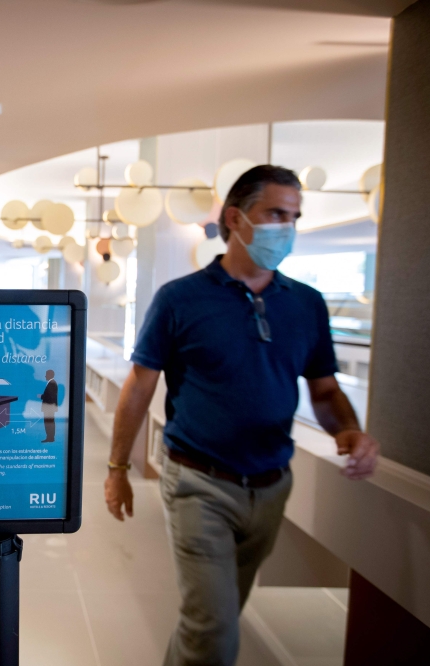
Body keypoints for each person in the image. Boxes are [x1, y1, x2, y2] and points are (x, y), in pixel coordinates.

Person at [103, 165, 380, 666]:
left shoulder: (307, 305)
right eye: (276, 213)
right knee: (213, 630)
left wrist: (349, 429)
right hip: (198, 481)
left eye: (294, 216)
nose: (288, 226)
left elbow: (324, 388)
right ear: (236, 217)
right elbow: (140, 387)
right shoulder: (180, 299)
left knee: (213, 621)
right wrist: (117, 469)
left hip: (272, 486)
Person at [38, 369, 58, 442]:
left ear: (50, 375)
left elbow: (50, 396)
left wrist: (42, 396)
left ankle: (50, 438)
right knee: (49, 422)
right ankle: (50, 437)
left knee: (49, 422)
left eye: (46, 374)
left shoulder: (52, 383)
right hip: (50, 407)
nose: (45, 376)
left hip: (49, 407)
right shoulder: (52, 383)